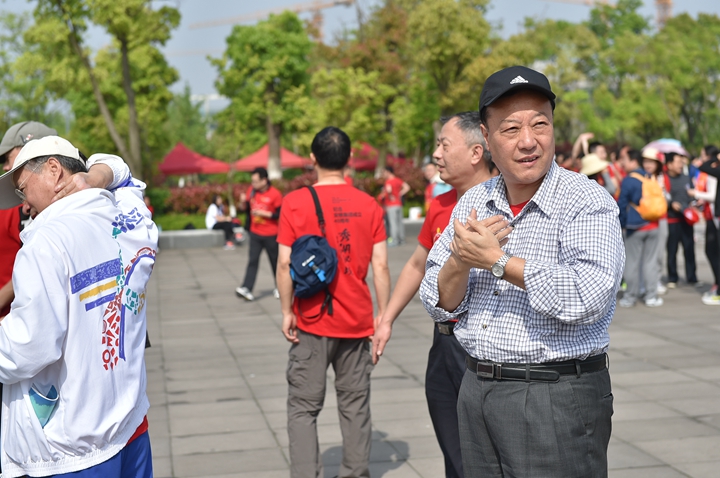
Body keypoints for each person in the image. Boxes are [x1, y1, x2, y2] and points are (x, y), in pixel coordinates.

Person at [419, 66, 624, 477]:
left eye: (540, 124)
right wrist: (461, 259)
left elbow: (588, 295)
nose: (528, 141)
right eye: (511, 129)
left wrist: (498, 262)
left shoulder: (586, 200)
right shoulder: (474, 200)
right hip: (476, 386)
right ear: (487, 138)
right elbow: (437, 299)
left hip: (554, 393)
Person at [0, 136, 156, 477]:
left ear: (54, 169)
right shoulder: (128, 220)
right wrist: (97, 176)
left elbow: (28, 348)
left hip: (72, 447)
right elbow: (123, 174)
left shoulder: (45, 243)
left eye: (23, 189)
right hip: (131, 426)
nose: (24, 205)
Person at [373, 111, 495, 478]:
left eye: (444, 145)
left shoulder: (501, 204)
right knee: (451, 445)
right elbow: (417, 264)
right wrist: (386, 319)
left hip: (482, 347)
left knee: (485, 451)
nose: (436, 154)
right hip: (443, 342)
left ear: (476, 152)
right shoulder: (441, 206)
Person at [277, 126, 390, 478]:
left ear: (313, 158)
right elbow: (381, 266)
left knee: (303, 407)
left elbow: (284, 263)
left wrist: (286, 311)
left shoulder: (295, 202)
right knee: (355, 406)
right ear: (349, 158)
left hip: (311, 320)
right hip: (357, 321)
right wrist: (383, 317)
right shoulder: (369, 205)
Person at [617, 148, 663, 307]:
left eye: (625, 160)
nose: (623, 163)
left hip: (635, 227)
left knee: (632, 263)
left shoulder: (628, 180)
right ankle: (651, 296)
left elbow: (622, 205)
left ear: (633, 161)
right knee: (650, 262)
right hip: (653, 224)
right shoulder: (649, 176)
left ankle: (630, 297)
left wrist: (621, 224)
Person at [235, 167, 283, 301]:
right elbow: (244, 209)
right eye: (252, 181)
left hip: (271, 234)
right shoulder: (251, 191)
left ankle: (280, 287)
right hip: (255, 233)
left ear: (264, 180)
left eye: (256, 181)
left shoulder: (275, 194)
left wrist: (264, 214)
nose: (253, 184)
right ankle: (246, 288)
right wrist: (242, 202)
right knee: (253, 260)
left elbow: (280, 214)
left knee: (275, 262)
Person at [665, 151, 698, 288]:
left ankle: (692, 278)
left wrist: (693, 204)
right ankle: (673, 278)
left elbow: (692, 197)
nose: (681, 165)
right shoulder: (664, 179)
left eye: (682, 162)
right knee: (672, 250)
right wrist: (671, 204)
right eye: (678, 162)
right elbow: (662, 197)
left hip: (687, 220)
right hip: (672, 221)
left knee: (689, 249)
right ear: (669, 164)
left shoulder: (686, 178)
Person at [642, 147, 670, 295]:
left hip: (660, 219)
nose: (648, 165)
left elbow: (668, 199)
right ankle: (643, 283)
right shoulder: (640, 177)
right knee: (643, 254)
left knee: (658, 253)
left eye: (651, 162)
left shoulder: (663, 178)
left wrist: (662, 191)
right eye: (646, 161)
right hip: (643, 219)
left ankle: (656, 280)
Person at [698, 145, 720, 304]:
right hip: (713, 216)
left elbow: (703, 167)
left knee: (714, 252)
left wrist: (714, 157)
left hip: (716, 217)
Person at [379, 165, 410, 246]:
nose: (383, 174)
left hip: (391, 205)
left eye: (384, 172)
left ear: (388, 172)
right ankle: (401, 239)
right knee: (399, 223)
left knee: (393, 223)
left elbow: (389, 190)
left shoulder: (388, 181)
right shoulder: (398, 180)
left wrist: (390, 195)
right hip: (398, 204)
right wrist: (400, 194)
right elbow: (407, 187)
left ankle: (395, 240)